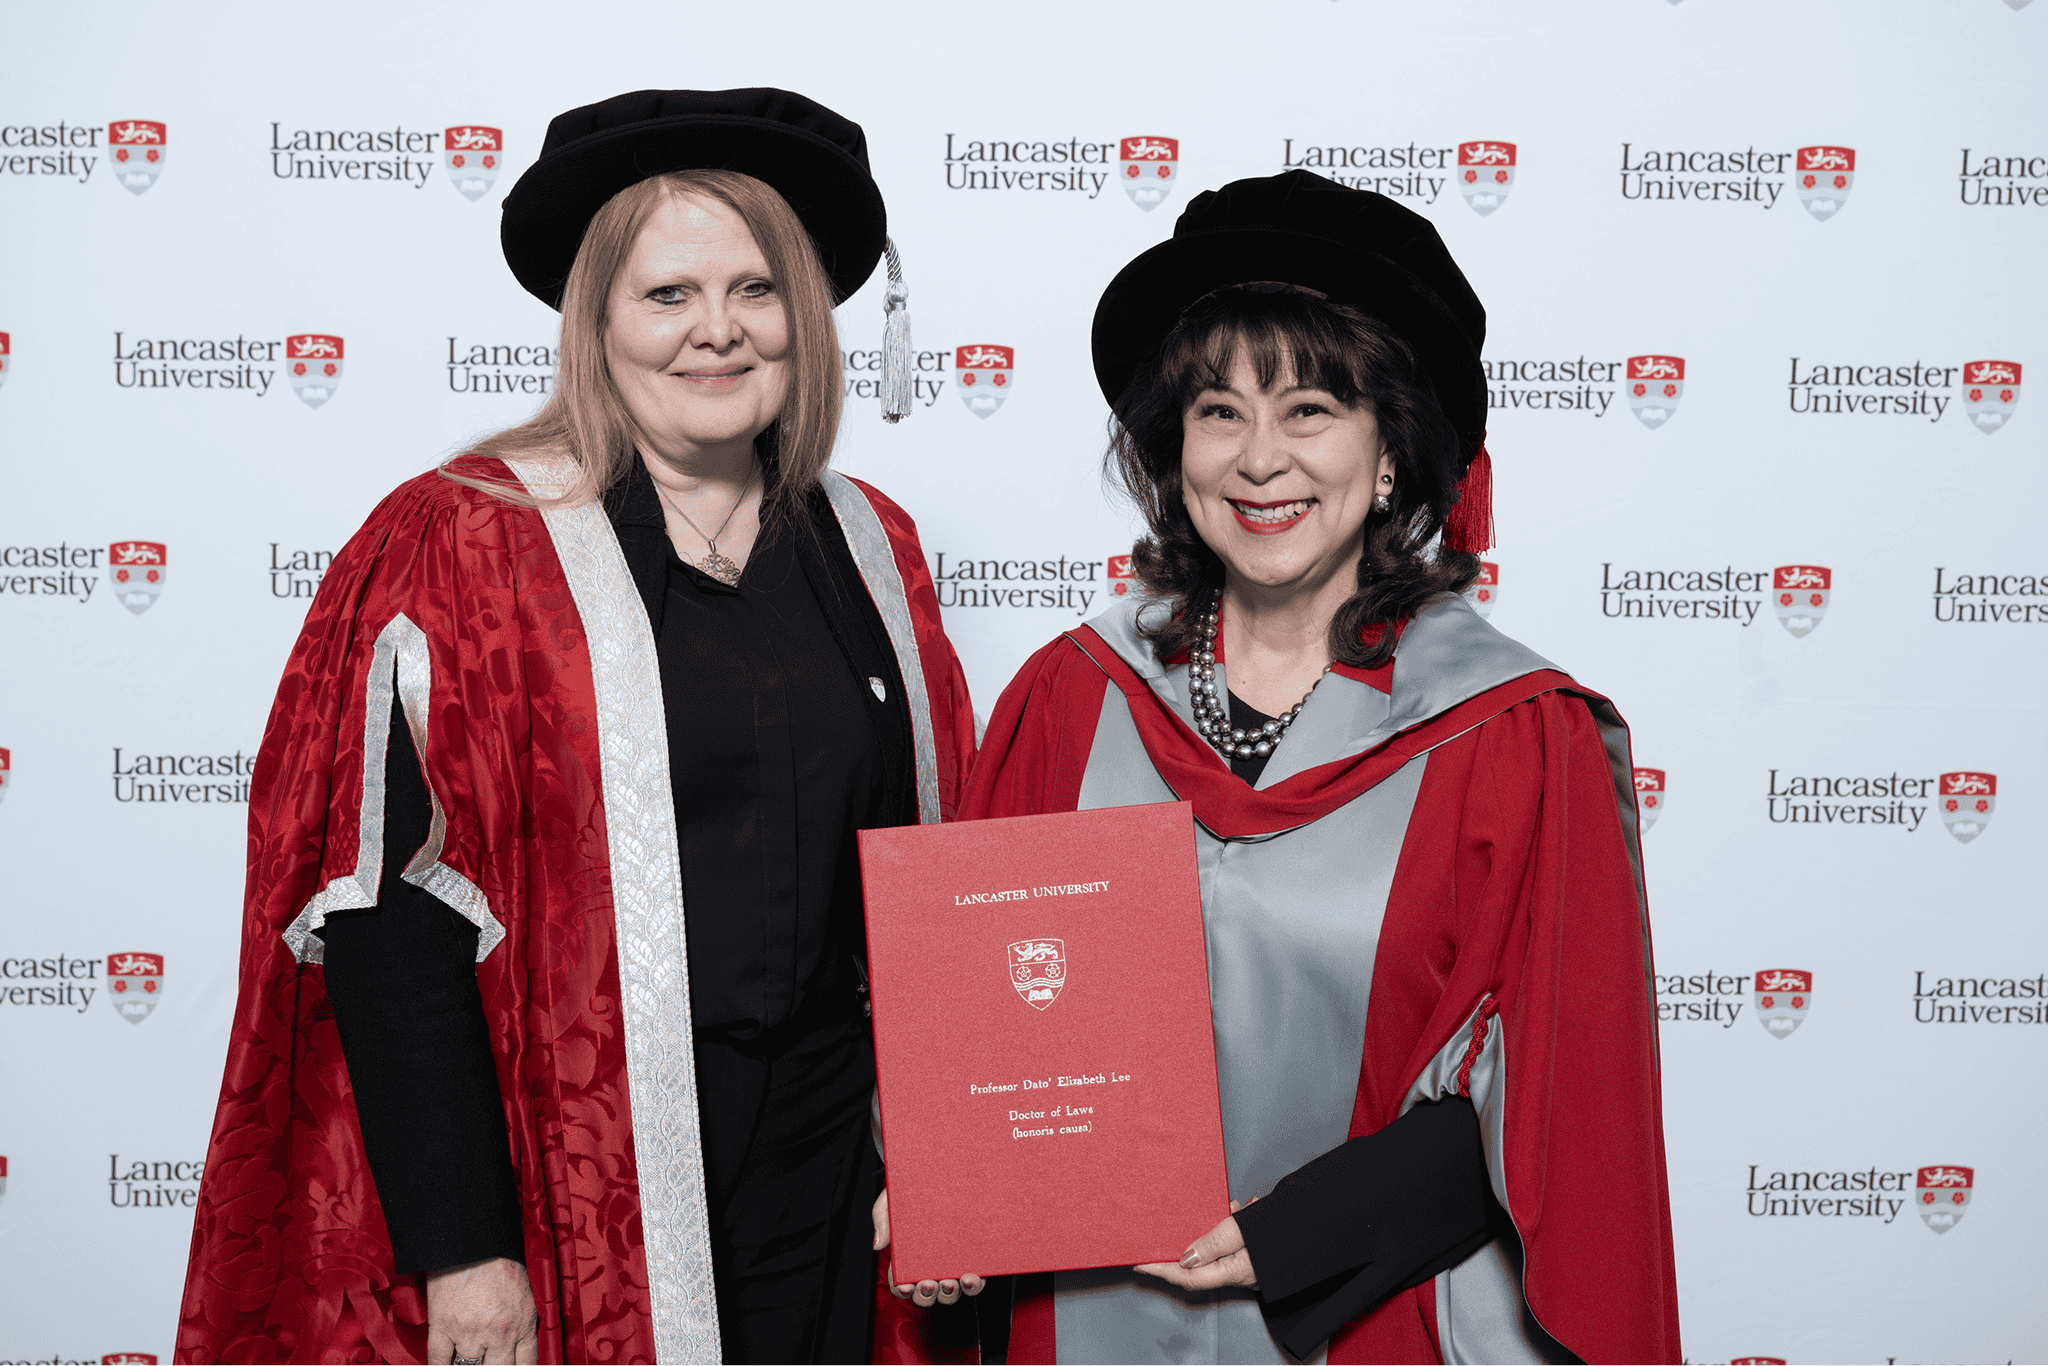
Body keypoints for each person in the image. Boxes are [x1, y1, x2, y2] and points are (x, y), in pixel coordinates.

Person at [175, 88, 977, 1366]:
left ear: (807, 317)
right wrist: (462, 1248)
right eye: (667, 295)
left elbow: (936, 884)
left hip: (831, 1166)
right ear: (594, 319)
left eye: (757, 290)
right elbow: (385, 919)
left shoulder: (870, 546)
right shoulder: (465, 542)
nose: (717, 331)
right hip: (568, 1170)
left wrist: (950, 1151)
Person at [880, 170, 1679, 1365]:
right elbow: (983, 1039)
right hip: (1084, 1318)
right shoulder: (1072, 696)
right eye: (1216, 411)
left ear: (1393, 452)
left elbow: (1573, 1112)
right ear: (1171, 448)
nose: (1260, 461)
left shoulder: (1511, 735)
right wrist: (946, 1186)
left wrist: (1308, 1229)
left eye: (1309, 409)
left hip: (1375, 1317)